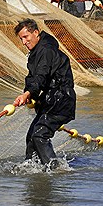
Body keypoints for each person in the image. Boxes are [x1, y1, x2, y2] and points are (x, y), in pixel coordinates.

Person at [13, 19, 76, 170]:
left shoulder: (46, 50)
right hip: (51, 100)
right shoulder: (37, 52)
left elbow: (41, 76)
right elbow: (32, 77)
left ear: (36, 33)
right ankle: (31, 168)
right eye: (21, 38)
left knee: (39, 135)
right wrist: (27, 94)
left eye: (26, 37)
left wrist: (28, 93)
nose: (24, 42)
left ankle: (55, 170)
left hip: (61, 100)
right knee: (32, 136)